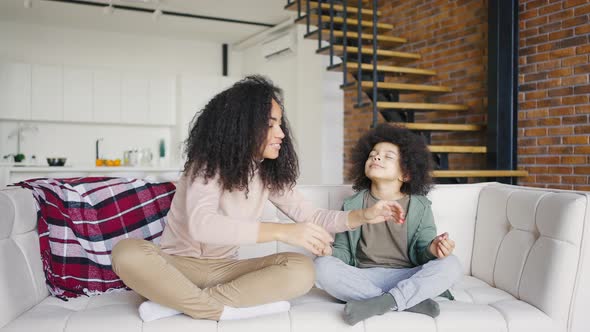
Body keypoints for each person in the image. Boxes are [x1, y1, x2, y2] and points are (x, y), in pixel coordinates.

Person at [111, 76, 404, 322]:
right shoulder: (205, 165)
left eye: (280, 125)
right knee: (127, 252)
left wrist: (363, 216)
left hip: (225, 272)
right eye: (271, 124)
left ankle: (180, 305)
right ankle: (219, 310)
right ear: (242, 126)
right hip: (176, 268)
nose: (281, 134)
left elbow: (314, 217)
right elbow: (203, 225)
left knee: (302, 270)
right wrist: (283, 231)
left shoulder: (267, 174)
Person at [314, 124, 463, 325]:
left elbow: (422, 253)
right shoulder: (353, 204)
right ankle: (407, 301)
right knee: (321, 266)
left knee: (451, 264)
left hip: (407, 276)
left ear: (406, 174)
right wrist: (328, 252)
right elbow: (344, 254)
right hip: (364, 277)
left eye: (388, 156)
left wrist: (433, 249)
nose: (376, 157)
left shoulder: (420, 206)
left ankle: (382, 302)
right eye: (373, 154)